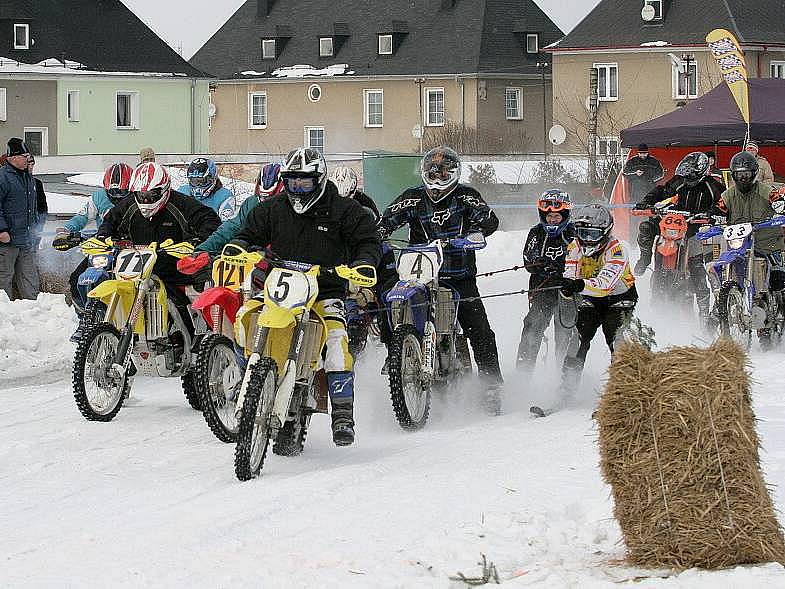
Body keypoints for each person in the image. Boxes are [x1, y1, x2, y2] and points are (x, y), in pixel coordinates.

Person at [230, 148, 381, 447]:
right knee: (244, 317)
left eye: (304, 182)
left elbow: (367, 240)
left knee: (337, 342)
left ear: (320, 180)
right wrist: (239, 244)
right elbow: (249, 231)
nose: (297, 189)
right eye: (292, 182)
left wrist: (364, 262)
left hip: (326, 289)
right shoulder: (274, 208)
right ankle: (245, 380)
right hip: (280, 288)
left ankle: (342, 414)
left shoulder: (344, 210)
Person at [377, 145, 504, 412]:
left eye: (443, 172)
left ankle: (492, 385)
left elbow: (489, 220)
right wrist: (378, 234)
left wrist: (474, 233)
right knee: (388, 301)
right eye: (432, 172)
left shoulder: (466, 196)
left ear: (454, 173)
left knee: (479, 328)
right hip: (418, 274)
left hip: (458, 275)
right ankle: (395, 354)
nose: (437, 178)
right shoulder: (412, 198)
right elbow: (386, 220)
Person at [95, 162, 220, 337]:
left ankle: (190, 338)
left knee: (171, 292)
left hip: (174, 263)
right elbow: (110, 220)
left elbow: (211, 221)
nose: (145, 200)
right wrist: (103, 235)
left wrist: (197, 242)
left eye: (151, 195)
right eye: (141, 195)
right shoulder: (129, 204)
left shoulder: (181, 203)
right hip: (136, 264)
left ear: (164, 190)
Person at [556, 204, 637, 403]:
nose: (586, 240)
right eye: (582, 233)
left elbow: (604, 285)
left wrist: (578, 285)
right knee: (578, 337)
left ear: (605, 233)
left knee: (616, 338)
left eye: (592, 234)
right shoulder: (574, 247)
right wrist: (567, 290)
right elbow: (571, 275)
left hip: (620, 297)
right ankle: (567, 389)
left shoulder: (617, 249)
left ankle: (622, 392)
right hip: (591, 297)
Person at [632, 152, 725, 321]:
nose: (688, 177)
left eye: (691, 173)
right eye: (686, 173)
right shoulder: (678, 181)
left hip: (695, 230)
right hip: (670, 226)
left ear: (702, 172)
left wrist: (713, 214)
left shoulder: (712, 186)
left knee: (697, 267)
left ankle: (704, 311)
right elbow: (661, 191)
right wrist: (646, 202)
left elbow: (723, 204)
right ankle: (645, 258)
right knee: (645, 227)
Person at [713, 151, 785, 342]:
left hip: (767, 242)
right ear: (734, 175)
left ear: (754, 174)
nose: (742, 177)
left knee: (778, 276)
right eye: (738, 174)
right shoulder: (728, 195)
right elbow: (718, 208)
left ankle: (778, 309)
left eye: (746, 174)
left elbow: (778, 200)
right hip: (739, 244)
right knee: (721, 265)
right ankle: (722, 308)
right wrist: (713, 216)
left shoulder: (765, 190)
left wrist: (780, 208)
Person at [53, 163, 133, 317]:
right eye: (113, 191)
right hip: (103, 246)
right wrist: (67, 230)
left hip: (133, 247)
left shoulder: (137, 198)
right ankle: (85, 316)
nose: (116, 195)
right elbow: (82, 216)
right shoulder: (98, 197)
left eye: (121, 191)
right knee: (76, 278)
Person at [516, 190, 575, 374]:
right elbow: (528, 257)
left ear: (564, 215)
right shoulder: (536, 232)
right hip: (542, 289)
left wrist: (563, 269)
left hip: (568, 292)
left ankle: (567, 375)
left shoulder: (574, 232)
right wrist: (540, 265)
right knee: (532, 328)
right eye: (549, 216)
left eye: (557, 216)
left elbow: (581, 257)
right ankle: (523, 373)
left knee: (567, 332)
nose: (552, 220)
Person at [191, 162, 284, 256]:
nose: (265, 203)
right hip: (254, 257)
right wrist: (202, 249)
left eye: (270, 199)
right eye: (262, 198)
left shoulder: (293, 209)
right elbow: (231, 228)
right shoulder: (251, 203)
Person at [0, 138, 40, 300]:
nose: (28, 159)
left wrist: (35, 229)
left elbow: (33, 208)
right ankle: (5, 314)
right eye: (24, 156)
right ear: (13, 157)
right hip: (6, 240)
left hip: (26, 239)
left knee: (30, 279)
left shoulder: (28, 178)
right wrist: (1, 229)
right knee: (4, 279)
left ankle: (33, 308)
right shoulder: (3, 177)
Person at [177, 157, 237, 221]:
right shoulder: (182, 192)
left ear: (213, 179)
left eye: (202, 181)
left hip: (214, 229)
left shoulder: (224, 196)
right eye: (194, 181)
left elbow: (227, 226)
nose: (198, 186)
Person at [26, 154, 48, 249]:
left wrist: (40, 224)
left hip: (35, 225)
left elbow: (42, 206)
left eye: (32, 164)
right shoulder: (13, 182)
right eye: (28, 164)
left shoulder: (37, 183)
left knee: (32, 252)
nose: (30, 167)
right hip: (18, 230)